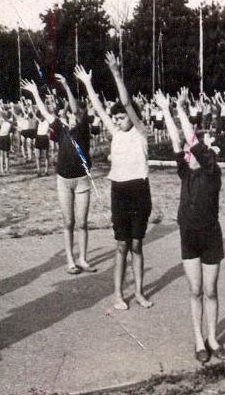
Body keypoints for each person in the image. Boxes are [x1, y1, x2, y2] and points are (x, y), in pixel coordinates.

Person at [154, 88, 225, 364]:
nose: (187, 154)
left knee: (211, 291)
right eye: (186, 154)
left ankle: (212, 338)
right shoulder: (186, 172)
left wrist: (181, 110)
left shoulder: (212, 170)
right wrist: (165, 110)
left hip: (211, 235)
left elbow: (190, 139)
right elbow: (178, 141)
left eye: (191, 151)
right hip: (189, 235)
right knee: (195, 290)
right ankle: (199, 340)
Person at [75, 52, 153, 309]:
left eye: (121, 117)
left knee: (137, 245)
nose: (118, 121)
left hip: (140, 190)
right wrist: (87, 84)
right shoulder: (115, 133)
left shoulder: (141, 131)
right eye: (115, 118)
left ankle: (140, 293)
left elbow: (127, 101)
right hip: (119, 190)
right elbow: (97, 107)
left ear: (132, 117)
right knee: (121, 245)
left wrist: (116, 74)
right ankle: (119, 294)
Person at [22, 75, 96, 274]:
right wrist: (36, 94)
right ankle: (71, 261)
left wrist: (66, 86)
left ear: (80, 115)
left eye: (75, 114)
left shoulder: (82, 128)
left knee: (82, 222)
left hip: (82, 181)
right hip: (64, 181)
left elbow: (75, 108)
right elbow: (46, 114)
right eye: (69, 114)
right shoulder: (61, 129)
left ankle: (83, 259)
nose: (71, 116)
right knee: (69, 222)